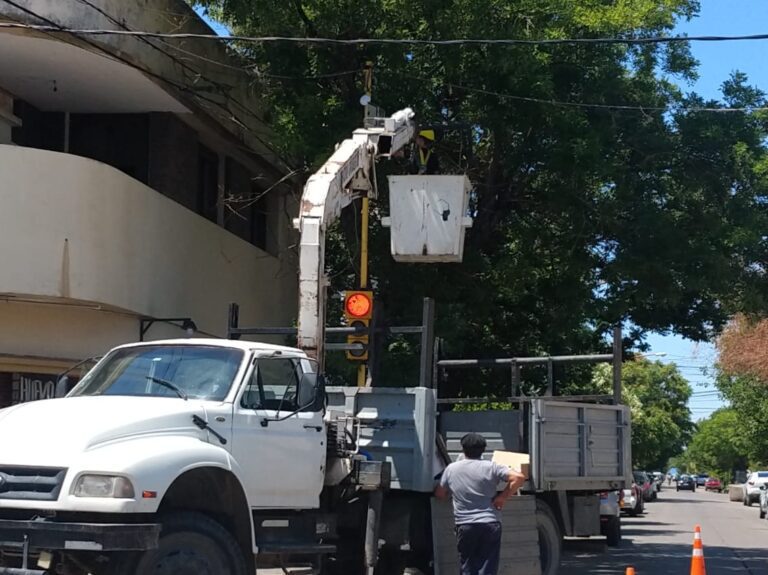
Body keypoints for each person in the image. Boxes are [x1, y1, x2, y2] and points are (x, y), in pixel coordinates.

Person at [435, 433, 526, 575]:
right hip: (490, 522)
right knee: (487, 567)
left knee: (467, 566)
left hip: (465, 524)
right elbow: (519, 477)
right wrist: (502, 497)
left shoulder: (452, 469)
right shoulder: (492, 467)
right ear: (483, 450)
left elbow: (440, 494)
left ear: (463, 449)